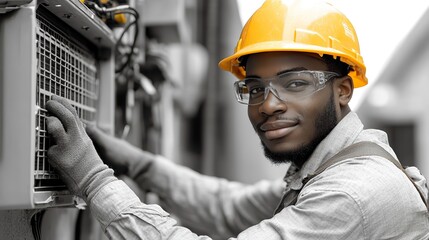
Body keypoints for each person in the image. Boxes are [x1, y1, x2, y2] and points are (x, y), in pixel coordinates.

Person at [45, 0, 429, 239]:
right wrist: (139, 164)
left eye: (294, 82)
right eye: (255, 87)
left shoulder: (350, 193)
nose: (268, 105)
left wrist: (94, 181)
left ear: (343, 89)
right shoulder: (324, 170)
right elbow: (227, 206)